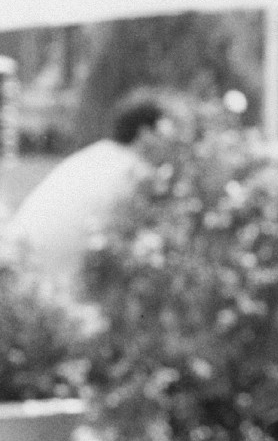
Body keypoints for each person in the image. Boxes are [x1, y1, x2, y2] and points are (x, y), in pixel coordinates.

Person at [1, 95, 166, 299]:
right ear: (145, 133)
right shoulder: (134, 170)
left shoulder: (98, 153)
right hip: (51, 280)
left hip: (19, 260)